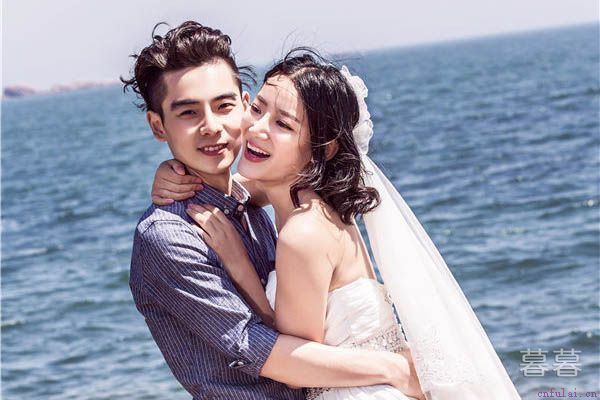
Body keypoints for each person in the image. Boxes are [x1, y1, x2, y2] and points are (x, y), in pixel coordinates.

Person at [153, 49, 523, 399]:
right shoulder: (307, 199)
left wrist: (239, 266)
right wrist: (174, 172)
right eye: (258, 109)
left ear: (322, 147)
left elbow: (295, 360)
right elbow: (238, 188)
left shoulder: (302, 232)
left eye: (283, 124)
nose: (257, 129)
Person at [125, 21, 424, 400]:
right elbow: (254, 345)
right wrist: (393, 367)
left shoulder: (260, 198)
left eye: (224, 106)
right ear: (158, 126)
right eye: (188, 113)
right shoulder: (169, 236)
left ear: (244, 106)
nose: (211, 127)